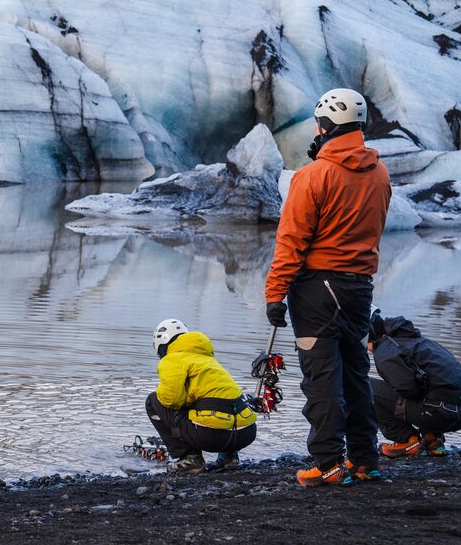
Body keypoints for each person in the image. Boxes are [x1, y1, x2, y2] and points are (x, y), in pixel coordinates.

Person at [264, 87, 391, 487]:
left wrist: (274, 294)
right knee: (354, 374)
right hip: (358, 289)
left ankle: (328, 462)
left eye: (319, 124)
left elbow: (291, 241)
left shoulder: (313, 176)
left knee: (321, 379)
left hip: (318, 291)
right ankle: (365, 459)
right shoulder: (380, 173)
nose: (315, 130)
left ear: (327, 126)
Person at [146, 319, 258, 473]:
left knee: (153, 401)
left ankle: (190, 459)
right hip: (246, 433)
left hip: (213, 436)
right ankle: (229, 457)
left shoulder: (172, 359)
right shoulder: (208, 359)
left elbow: (170, 400)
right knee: (214, 404)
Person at [368, 311, 461, 458]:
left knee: (366, 387)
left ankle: (407, 440)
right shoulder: (417, 341)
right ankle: (433, 440)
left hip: (438, 415)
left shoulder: (385, 352)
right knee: (427, 386)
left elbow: (409, 390)